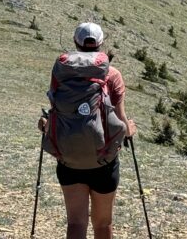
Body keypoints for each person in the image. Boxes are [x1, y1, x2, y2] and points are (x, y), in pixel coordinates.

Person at [39, 22, 136, 239]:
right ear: (101, 44)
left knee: (75, 222)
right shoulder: (112, 75)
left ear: (76, 43)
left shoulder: (62, 73)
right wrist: (130, 129)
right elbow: (121, 121)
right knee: (102, 224)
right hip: (104, 160)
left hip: (68, 158)